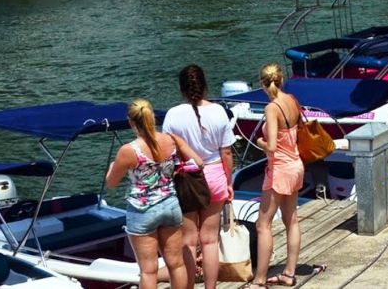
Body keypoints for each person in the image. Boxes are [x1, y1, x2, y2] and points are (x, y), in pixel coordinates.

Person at [105, 99, 196, 289]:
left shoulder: (129, 150)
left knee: (148, 270)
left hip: (143, 210)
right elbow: (188, 160)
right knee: (176, 263)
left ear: (131, 122)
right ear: (152, 117)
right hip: (170, 204)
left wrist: (112, 167)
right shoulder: (170, 140)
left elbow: (111, 183)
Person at [162, 65, 235, 289]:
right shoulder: (219, 112)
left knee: (189, 240)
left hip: (187, 178)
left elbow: (166, 152)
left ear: (182, 89)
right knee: (210, 239)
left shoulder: (173, 115)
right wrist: (229, 182)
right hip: (215, 175)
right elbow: (227, 152)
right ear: (204, 85)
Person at [250, 63, 304, 288]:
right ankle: (289, 273)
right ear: (281, 80)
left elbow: (271, 146)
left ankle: (260, 279)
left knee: (263, 225)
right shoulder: (291, 99)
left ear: (263, 84)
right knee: (291, 219)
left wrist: (259, 141)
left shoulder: (272, 108)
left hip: (280, 169)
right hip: (295, 163)